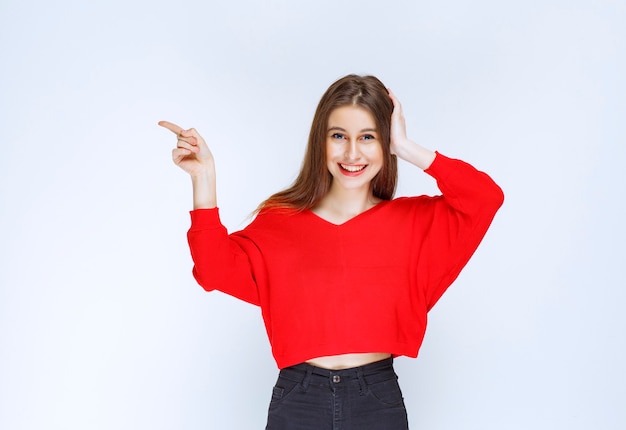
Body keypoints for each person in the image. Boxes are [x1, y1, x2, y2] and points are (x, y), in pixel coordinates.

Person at [159, 74, 504, 429]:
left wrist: (405, 146)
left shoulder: (413, 222)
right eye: (339, 136)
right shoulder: (280, 221)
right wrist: (203, 178)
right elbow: (214, 271)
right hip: (299, 398)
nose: (352, 153)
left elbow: (485, 198)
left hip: (377, 400)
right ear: (320, 143)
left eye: (368, 137)